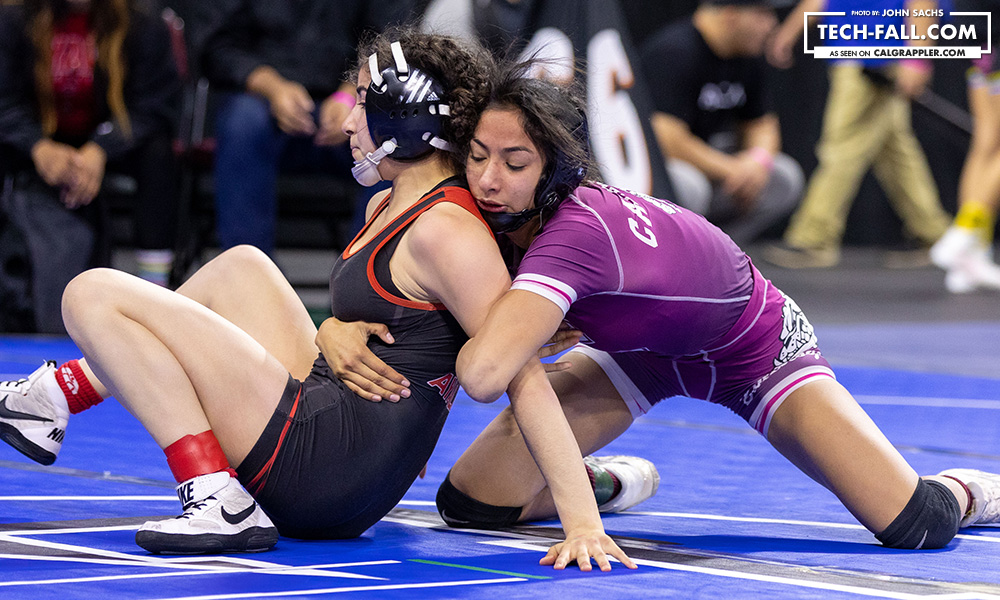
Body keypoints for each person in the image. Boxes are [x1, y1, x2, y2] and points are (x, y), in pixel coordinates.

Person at [0, 30, 636, 569]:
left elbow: (522, 375)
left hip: (324, 467)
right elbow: (399, 330)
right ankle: (59, 394)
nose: (351, 119)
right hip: (336, 442)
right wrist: (331, 328)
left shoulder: (447, 230)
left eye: (362, 101)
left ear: (402, 118)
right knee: (241, 267)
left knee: (92, 293)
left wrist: (580, 521)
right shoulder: (388, 203)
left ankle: (213, 494)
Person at [330, 62, 1000, 557]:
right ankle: (606, 483)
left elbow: (481, 372)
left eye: (514, 162)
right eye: (476, 157)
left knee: (915, 525)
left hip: (750, 348)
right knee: (471, 502)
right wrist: (333, 328)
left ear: (553, 169)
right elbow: (414, 299)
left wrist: (455, 347)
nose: (487, 180)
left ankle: (972, 490)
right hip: (632, 350)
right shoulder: (497, 211)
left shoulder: (574, 237)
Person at [0, 0, 181, 333]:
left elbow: (156, 105)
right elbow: (4, 101)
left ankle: (155, 287)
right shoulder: (13, 20)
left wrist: (101, 148)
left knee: (158, 154)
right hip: (38, 137)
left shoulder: (143, 22)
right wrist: (37, 146)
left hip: (113, 136)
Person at [195, 0, 415, 254]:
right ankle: (248, 273)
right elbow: (217, 45)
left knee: (390, 132)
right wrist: (271, 86)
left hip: (352, 99)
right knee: (243, 123)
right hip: (262, 101)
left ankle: (363, 269)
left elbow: (392, 42)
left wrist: (354, 95)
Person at [763, 0, 952, 269]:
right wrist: (790, 31)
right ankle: (934, 235)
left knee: (843, 147)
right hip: (860, 52)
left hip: (875, 56)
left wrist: (917, 58)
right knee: (896, 153)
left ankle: (813, 238)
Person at [640, 0, 804, 247]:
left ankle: (720, 252)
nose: (772, 25)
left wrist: (756, 162)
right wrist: (732, 170)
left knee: (783, 177)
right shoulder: (673, 51)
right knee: (691, 185)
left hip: (708, 164)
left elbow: (762, 125)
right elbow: (666, 139)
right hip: (652, 173)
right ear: (731, 15)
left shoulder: (746, 56)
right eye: (763, 14)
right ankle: (669, 255)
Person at [929, 3, 1000, 293]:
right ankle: (965, 232)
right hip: (990, 23)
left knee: (986, 138)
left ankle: (971, 256)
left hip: (977, 24)